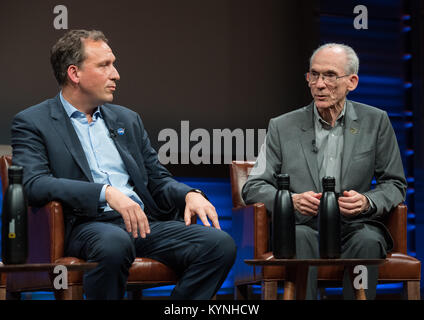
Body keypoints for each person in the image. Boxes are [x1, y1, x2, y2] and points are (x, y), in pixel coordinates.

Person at [11, 29, 236, 300]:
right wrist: (104, 192)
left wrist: (189, 193)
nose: (115, 74)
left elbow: (157, 179)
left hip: (142, 223)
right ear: (74, 73)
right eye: (104, 65)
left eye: (113, 64)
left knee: (219, 245)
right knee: (113, 244)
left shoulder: (127, 120)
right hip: (85, 225)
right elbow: (34, 184)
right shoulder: (34, 122)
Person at [242, 43, 407, 299]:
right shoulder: (282, 126)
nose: (319, 84)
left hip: (355, 225)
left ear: (352, 81)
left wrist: (367, 201)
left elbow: (395, 183)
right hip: (302, 225)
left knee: (368, 242)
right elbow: (253, 187)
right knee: (299, 238)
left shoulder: (376, 121)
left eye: (330, 75)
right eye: (314, 75)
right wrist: (292, 201)